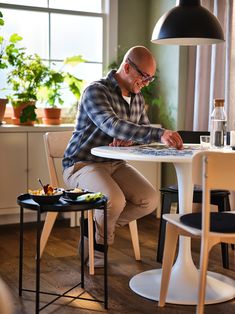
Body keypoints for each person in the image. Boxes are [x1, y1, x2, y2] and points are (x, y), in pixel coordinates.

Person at [63, 46, 183, 267]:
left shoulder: (136, 98)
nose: (146, 83)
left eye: (151, 79)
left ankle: (95, 226)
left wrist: (131, 139)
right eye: (144, 77)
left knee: (150, 199)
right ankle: (99, 249)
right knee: (114, 201)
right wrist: (158, 133)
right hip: (82, 164)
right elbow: (111, 124)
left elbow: (142, 130)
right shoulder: (95, 91)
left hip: (114, 164)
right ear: (127, 67)